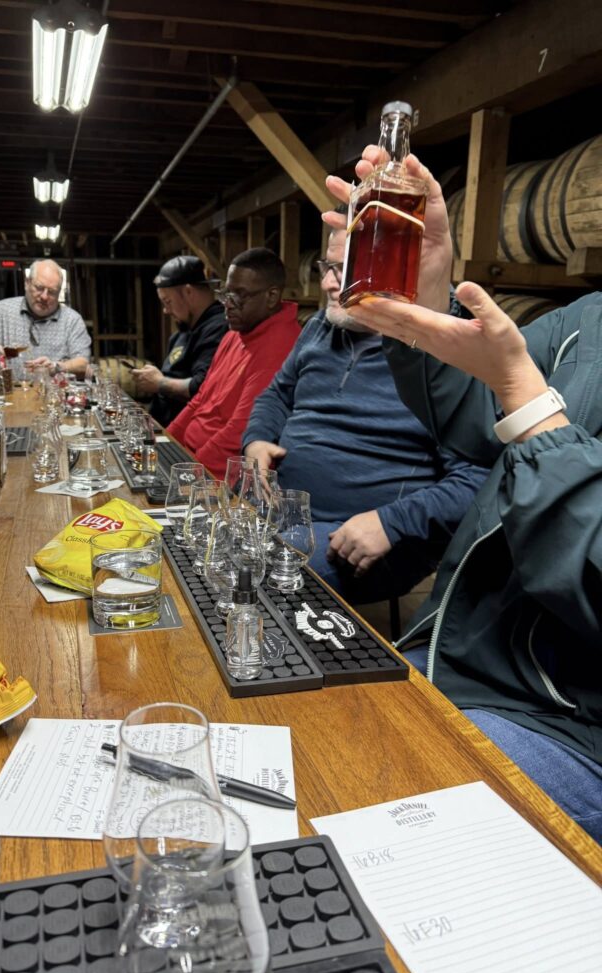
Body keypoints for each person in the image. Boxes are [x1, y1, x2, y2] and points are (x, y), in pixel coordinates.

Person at [325, 152, 602, 844]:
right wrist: (425, 295)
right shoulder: (590, 320)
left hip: (566, 723)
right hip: (459, 655)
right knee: (307, 737)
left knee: (374, 810)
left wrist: (533, 409)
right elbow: (472, 416)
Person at [242, 226, 488, 605]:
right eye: (327, 266)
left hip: (365, 539)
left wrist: (391, 523)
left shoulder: (450, 350)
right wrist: (258, 438)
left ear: (399, 272)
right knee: (191, 545)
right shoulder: (321, 328)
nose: (326, 283)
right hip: (281, 510)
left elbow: (481, 477)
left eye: (343, 269)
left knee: (245, 576)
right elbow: (277, 394)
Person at [167, 248, 300, 479]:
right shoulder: (234, 333)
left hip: (218, 476)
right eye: (226, 294)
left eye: (239, 295)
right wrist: (164, 442)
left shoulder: (281, 344)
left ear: (271, 296)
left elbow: (238, 432)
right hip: (191, 459)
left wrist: (190, 475)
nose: (227, 304)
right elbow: (200, 399)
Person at [131, 255, 226, 426]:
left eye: (168, 301)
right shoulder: (182, 332)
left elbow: (202, 387)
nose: (165, 311)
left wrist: (159, 383)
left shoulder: (218, 328)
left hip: (185, 435)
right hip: (161, 426)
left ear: (189, 292)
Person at [0, 259, 90, 377]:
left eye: (52, 292)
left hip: (53, 397)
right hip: (7, 396)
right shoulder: (0, 310)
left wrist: (56, 366)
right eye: (39, 288)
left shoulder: (72, 320)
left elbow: (83, 363)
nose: (44, 297)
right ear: (27, 283)